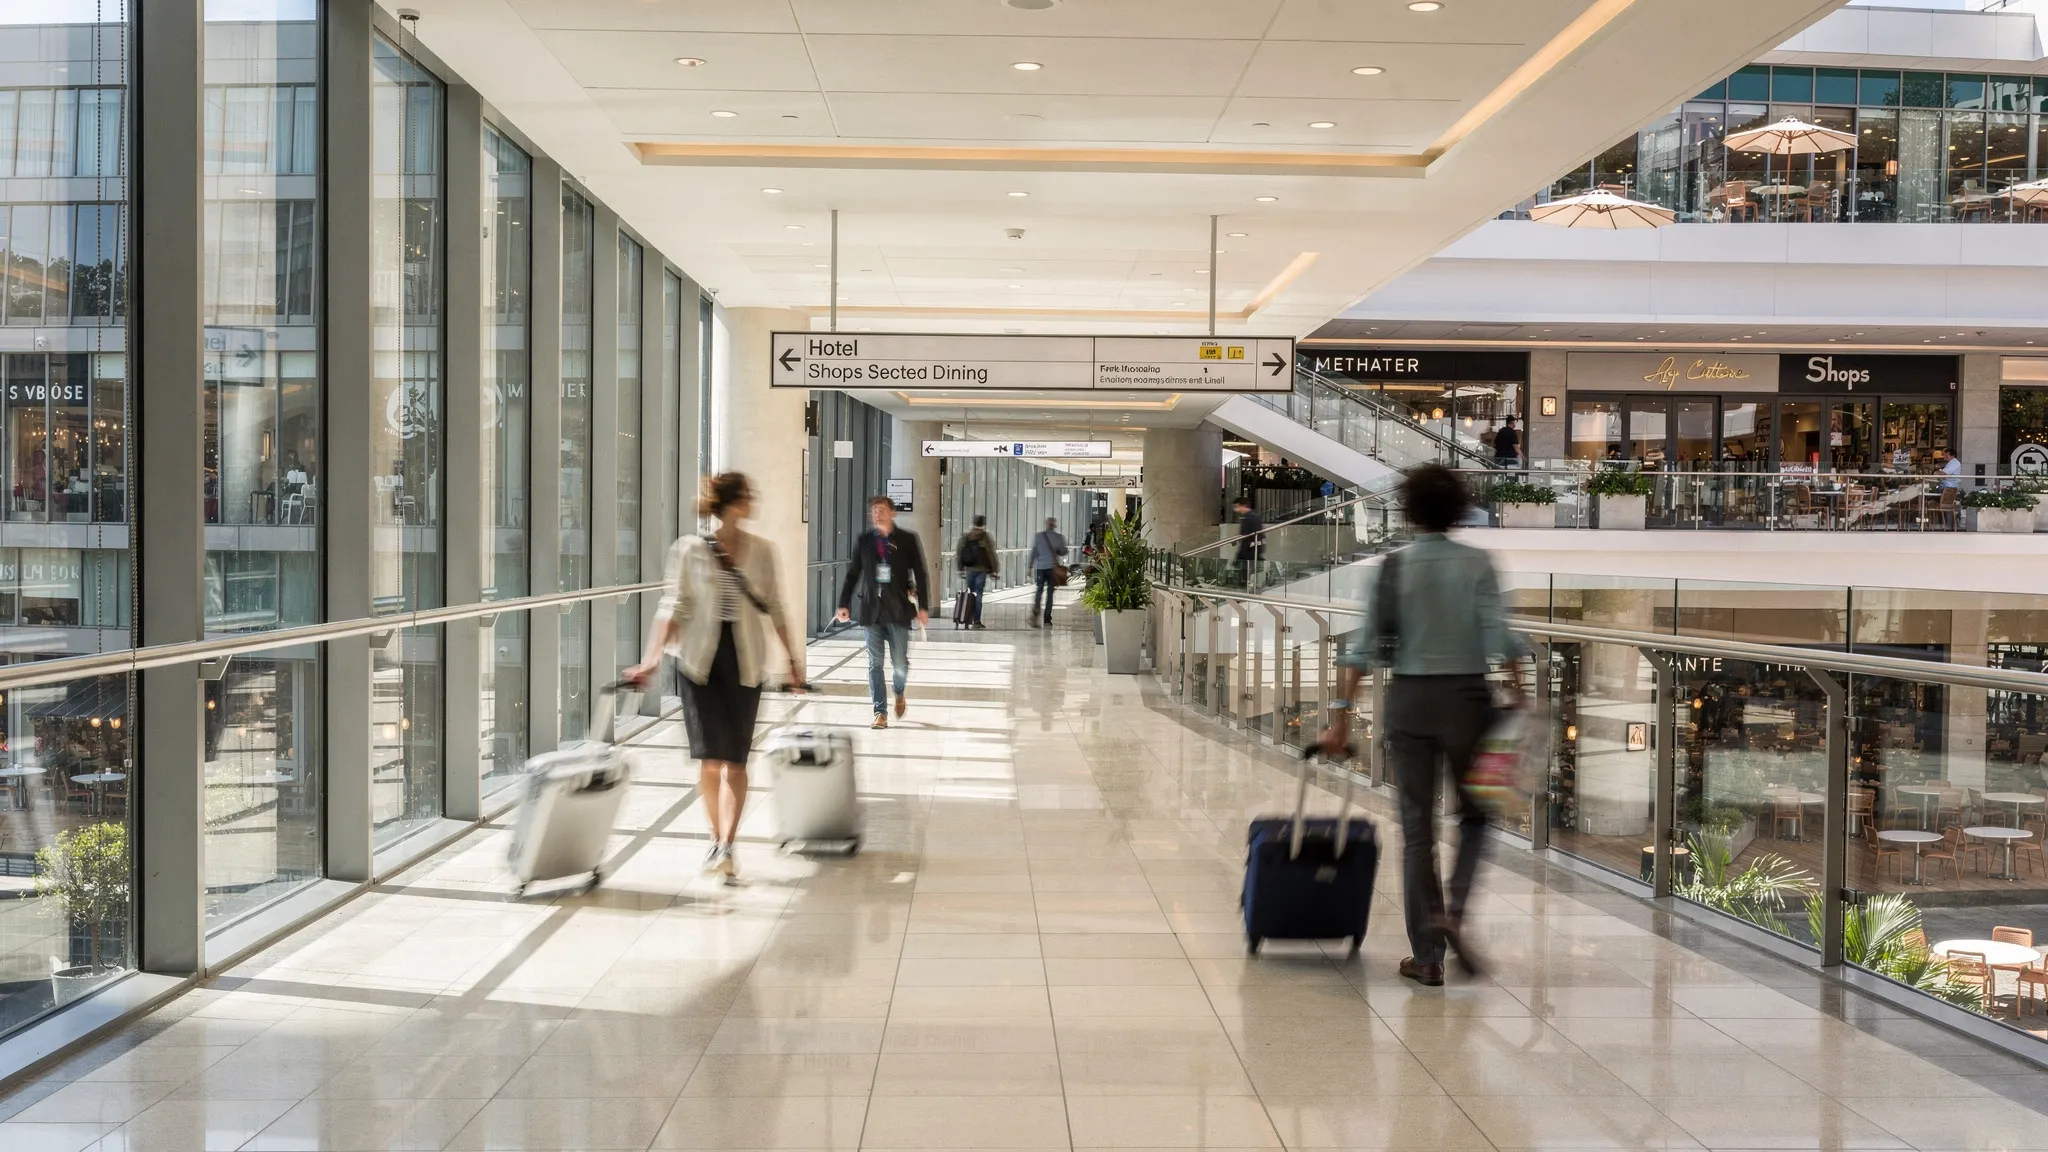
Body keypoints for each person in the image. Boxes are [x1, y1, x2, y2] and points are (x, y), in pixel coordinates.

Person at [1321, 463, 1529, 988]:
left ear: (1410, 510)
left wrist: (1341, 719)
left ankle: (1429, 957)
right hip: (1468, 702)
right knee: (1478, 818)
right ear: (1459, 507)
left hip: (1410, 701)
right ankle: (1455, 911)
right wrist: (1521, 695)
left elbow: (1362, 648)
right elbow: (1498, 635)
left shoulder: (1393, 568)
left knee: (1417, 834)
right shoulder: (1479, 564)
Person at [627, 472, 804, 882]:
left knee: (737, 762)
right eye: (748, 495)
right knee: (710, 761)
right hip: (698, 662)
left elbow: (775, 607)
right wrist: (651, 659)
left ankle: (728, 842)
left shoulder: (762, 551)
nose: (753, 501)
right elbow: (675, 606)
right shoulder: (689, 550)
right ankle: (715, 840)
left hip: (744, 663)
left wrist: (793, 661)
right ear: (731, 502)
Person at [837, 495, 930, 728]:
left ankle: (899, 691)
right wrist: (844, 603)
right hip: (872, 611)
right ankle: (880, 712)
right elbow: (852, 573)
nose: (877, 514)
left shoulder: (907, 539)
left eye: (882, 510)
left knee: (900, 663)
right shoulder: (865, 540)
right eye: (874, 510)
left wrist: (925, 607)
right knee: (874, 663)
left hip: (898, 611)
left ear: (893, 513)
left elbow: (921, 573)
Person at [955, 514, 998, 630]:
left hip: (969, 569)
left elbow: (960, 552)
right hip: (981, 570)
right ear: (983, 524)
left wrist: (960, 568)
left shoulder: (967, 537)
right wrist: (994, 570)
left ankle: (967, 619)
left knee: (970, 594)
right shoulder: (985, 537)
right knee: (978, 594)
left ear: (974, 523)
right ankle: (977, 621)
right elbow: (991, 553)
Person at [1027, 516, 1066, 628]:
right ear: (1055, 525)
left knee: (1039, 590)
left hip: (1040, 568)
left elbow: (1034, 552)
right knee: (1050, 593)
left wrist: (1029, 567)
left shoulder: (1038, 536)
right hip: (1052, 568)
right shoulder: (1059, 537)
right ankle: (1047, 619)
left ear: (1046, 524)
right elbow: (1063, 551)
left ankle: (1036, 613)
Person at [1231, 496, 1264, 588]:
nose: (1236, 509)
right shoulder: (1249, 517)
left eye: (1237, 506)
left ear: (1244, 505)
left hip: (1250, 550)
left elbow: (1255, 534)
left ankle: (1246, 588)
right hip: (1248, 549)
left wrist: (1238, 539)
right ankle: (1245, 586)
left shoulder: (1251, 517)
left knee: (1245, 570)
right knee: (1244, 570)